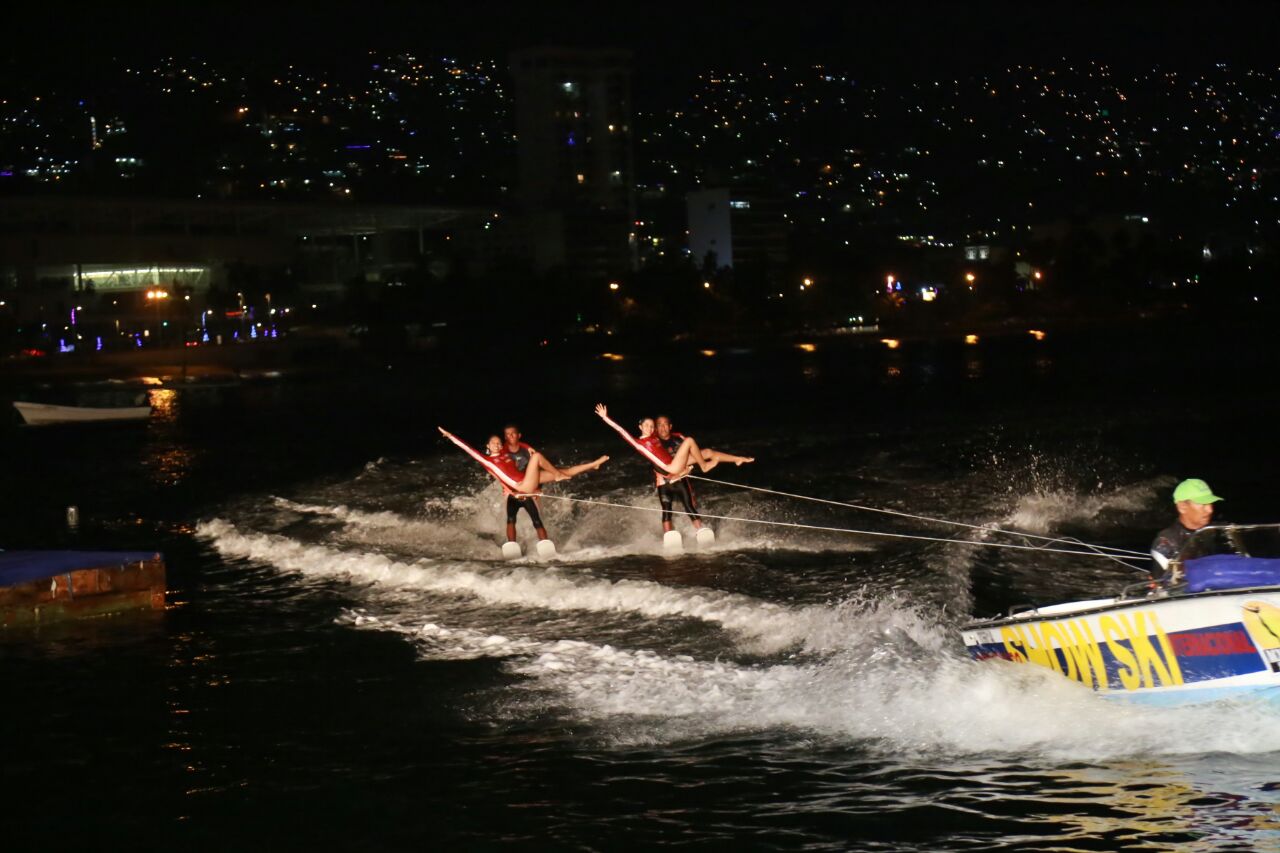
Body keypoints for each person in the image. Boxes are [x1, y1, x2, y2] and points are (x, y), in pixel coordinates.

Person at [594, 403, 753, 480]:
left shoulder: (654, 436)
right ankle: (703, 467)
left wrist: (676, 435)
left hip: (676, 463)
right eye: (647, 426)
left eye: (652, 426)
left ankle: (737, 459)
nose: (650, 428)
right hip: (671, 467)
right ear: (640, 427)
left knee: (707, 452)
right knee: (690, 441)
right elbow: (621, 430)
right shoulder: (639, 443)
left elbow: (667, 432)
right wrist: (605, 417)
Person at [438, 427, 607, 498]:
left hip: (528, 479)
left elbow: (517, 445)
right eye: (493, 443)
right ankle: (556, 476)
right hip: (522, 486)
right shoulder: (487, 460)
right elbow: (467, 448)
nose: (497, 444)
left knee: (567, 471)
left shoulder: (504, 453)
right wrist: (450, 436)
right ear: (487, 446)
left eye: (498, 442)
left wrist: (528, 447)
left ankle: (594, 465)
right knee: (537, 458)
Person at [1151, 478, 1222, 575]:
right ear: (1182, 507)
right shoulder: (1165, 542)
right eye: (1203, 504)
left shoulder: (1217, 533)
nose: (1210, 510)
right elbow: (1161, 585)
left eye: (1210, 503)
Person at [653, 415, 708, 535]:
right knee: (666, 510)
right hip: (663, 481)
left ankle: (701, 531)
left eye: (665, 424)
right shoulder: (653, 441)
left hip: (681, 478)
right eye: (659, 424)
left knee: (689, 506)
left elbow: (693, 454)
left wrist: (688, 468)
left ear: (670, 426)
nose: (662, 427)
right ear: (656, 428)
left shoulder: (679, 438)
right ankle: (668, 536)